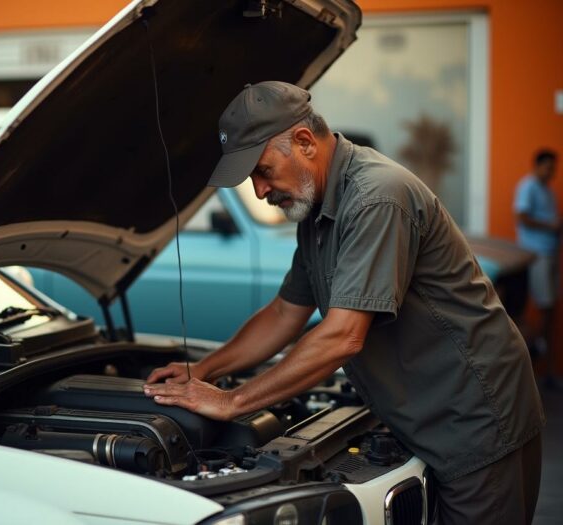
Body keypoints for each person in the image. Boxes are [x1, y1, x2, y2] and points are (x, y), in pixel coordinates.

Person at [143, 81, 544, 524]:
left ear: (303, 143)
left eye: (262, 171)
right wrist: (203, 370)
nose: (259, 190)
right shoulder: (314, 211)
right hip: (425, 417)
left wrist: (233, 402)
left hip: (474, 423)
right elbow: (283, 313)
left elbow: (342, 337)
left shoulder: (377, 197)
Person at [514, 149, 560, 385]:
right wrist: (551, 225)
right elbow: (521, 217)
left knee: (549, 309)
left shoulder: (549, 191)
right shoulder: (528, 186)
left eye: (554, 167)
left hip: (550, 255)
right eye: (548, 167)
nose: (552, 171)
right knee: (543, 308)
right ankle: (534, 362)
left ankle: (545, 369)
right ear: (537, 166)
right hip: (537, 255)